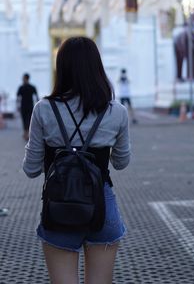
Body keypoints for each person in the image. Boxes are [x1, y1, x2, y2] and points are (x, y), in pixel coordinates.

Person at [23, 37, 130, 284]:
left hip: (58, 208)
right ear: (97, 67)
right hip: (102, 206)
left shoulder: (44, 109)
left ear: (62, 68)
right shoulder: (117, 112)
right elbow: (121, 163)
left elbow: (30, 169)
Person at [17, 73, 38, 140]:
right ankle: (26, 133)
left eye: (23, 78)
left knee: (27, 120)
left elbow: (36, 97)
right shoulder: (25, 87)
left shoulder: (24, 87)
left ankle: (27, 133)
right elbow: (18, 97)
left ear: (26, 78)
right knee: (26, 120)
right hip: (26, 106)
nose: (22, 79)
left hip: (28, 106)